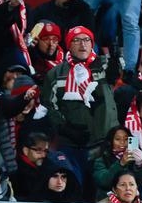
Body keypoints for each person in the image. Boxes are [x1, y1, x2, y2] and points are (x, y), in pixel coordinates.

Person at [43, 26, 123, 178]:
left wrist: (115, 60)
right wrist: (65, 128)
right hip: (72, 146)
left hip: (105, 144)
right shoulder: (55, 74)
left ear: (92, 44)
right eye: (77, 40)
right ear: (69, 45)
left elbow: (114, 77)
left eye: (86, 40)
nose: (82, 44)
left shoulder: (103, 64)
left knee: (102, 191)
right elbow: (49, 107)